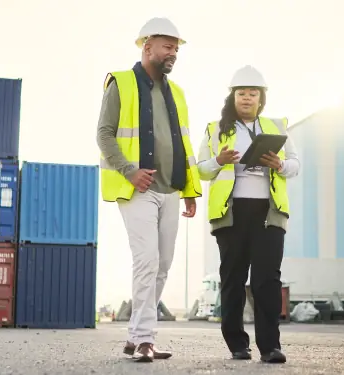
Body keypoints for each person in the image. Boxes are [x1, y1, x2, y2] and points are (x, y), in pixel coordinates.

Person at [96, 17, 202, 363]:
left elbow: (183, 144)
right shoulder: (122, 83)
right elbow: (105, 133)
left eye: (176, 48)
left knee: (164, 265)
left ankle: (135, 337)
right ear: (147, 46)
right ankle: (144, 339)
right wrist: (129, 171)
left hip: (170, 188)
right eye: (167, 46)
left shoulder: (178, 94)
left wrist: (189, 188)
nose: (173, 53)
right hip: (137, 188)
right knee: (147, 261)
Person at [196, 65, 300, 364]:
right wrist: (219, 160)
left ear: (261, 97)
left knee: (267, 279)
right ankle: (237, 345)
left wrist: (278, 165)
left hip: (269, 212)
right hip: (231, 212)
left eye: (252, 93)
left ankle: (270, 346)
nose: (246, 98)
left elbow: (295, 164)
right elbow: (201, 170)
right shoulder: (216, 128)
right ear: (233, 96)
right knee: (233, 278)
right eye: (241, 93)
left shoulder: (277, 127)